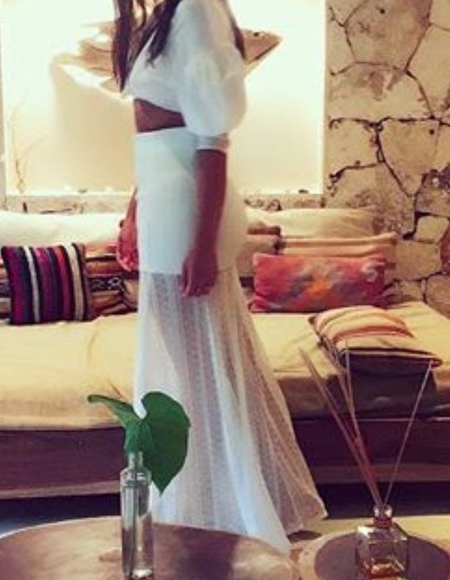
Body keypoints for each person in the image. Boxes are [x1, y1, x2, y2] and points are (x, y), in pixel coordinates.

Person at [113, 0, 326, 554]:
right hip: (166, 202)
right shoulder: (167, 15)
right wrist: (134, 212)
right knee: (193, 367)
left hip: (189, 213)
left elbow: (212, 141)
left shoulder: (196, 9)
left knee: (201, 369)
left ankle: (229, 509)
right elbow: (152, 135)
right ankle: (216, 502)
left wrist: (203, 245)